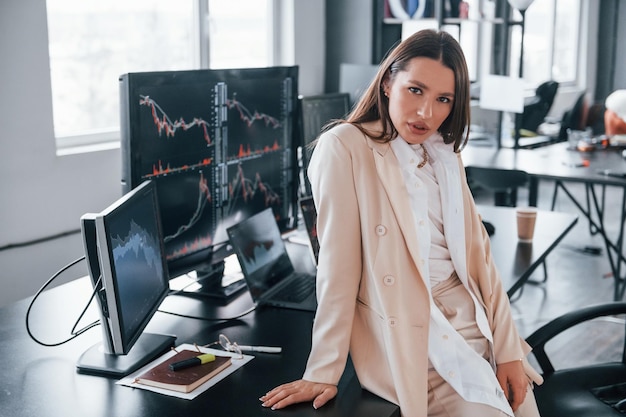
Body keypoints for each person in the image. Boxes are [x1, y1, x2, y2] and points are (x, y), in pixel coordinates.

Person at [259, 29, 543, 417]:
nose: (427, 112)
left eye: (443, 99)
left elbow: (480, 260)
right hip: (416, 329)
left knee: (524, 405)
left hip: (473, 318)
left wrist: (508, 349)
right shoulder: (345, 147)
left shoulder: (444, 152)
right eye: (416, 90)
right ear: (389, 82)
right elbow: (338, 267)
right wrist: (323, 369)